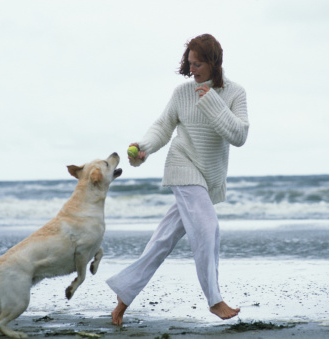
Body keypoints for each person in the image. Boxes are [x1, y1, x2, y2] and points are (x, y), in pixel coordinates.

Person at [106, 33, 249, 326]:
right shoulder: (181, 93)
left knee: (161, 241)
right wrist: (144, 147)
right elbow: (163, 126)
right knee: (207, 227)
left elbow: (239, 136)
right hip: (183, 166)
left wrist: (212, 102)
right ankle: (215, 299)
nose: (193, 69)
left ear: (214, 62)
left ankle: (121, 301)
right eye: (190, 63)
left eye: (199, 64)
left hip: (209, 177)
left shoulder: (235, 93)